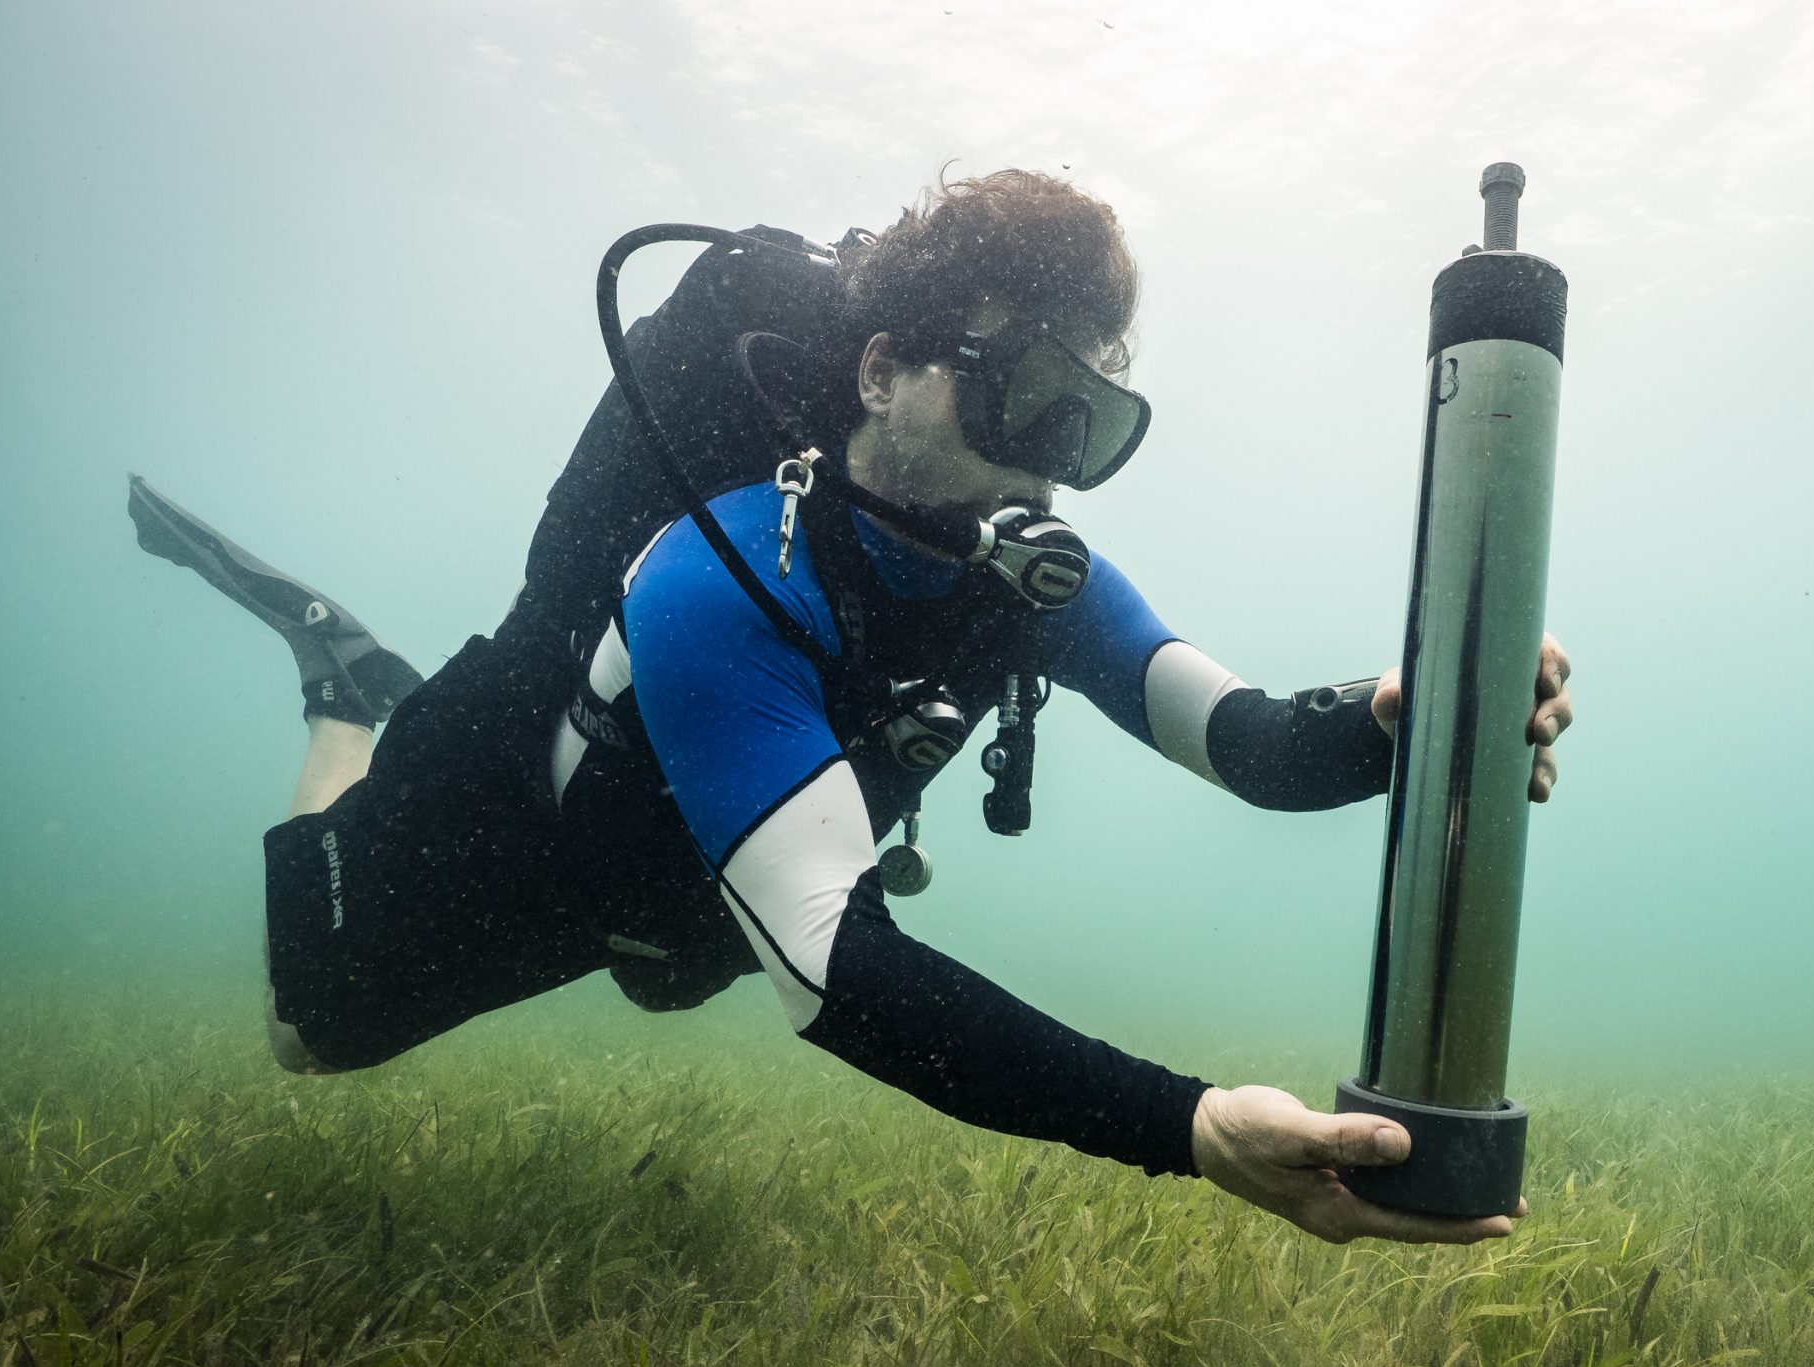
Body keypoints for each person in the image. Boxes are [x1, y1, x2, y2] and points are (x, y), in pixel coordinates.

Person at [128, 169, 1575, 1247]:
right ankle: (347, 689)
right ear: (880, 372)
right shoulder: (721, 574)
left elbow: (1250, 741)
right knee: (303, 1033)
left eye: (1084, 421)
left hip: (694, 902)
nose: (1045, 466)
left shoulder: (1033, 577)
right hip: (523, 826)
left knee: (665, 967)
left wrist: (1405, 722)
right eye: (1017, 396)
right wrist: (1188, 1125)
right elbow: (833, 969)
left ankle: (360, 700)